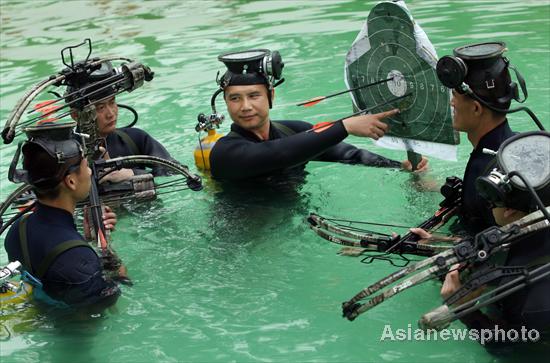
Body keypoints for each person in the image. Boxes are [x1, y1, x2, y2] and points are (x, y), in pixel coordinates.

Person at [208, 49, 428, 182]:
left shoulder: (293, 131)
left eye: (254, 95)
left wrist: (399, 166)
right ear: (226, 103)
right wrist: (345, 126)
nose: (245, 106)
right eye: (235, 98)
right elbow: (279, 155)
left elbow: (352, 155)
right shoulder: (225, 152)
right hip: (241, 240)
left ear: (271, 96)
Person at [440, 131, 550, 346]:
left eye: (491, 200)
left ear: (509, 211)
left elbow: (512, 349)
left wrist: (464, 310)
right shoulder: (533, 233)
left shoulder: (532, 299)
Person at [4, 123, 122, 309]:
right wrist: (107, 252)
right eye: (85, 166)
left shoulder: (17, 228)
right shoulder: (78, 258)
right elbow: (107, 306)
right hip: (79, 333)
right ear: (71, 181)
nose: (91, 171)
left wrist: (87, 241)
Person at [434, 41, 529, 235]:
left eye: (454, 96)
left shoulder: (488, 181)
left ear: (476, 109)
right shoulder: (518, 143)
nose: (451, 102)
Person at [67, 61, 174, 182]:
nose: (111, 113)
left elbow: (176, 172)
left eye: (112, 102)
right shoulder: (64, 156)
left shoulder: (135, 139)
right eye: (100, 108)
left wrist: (133, 174)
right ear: (75, 115)